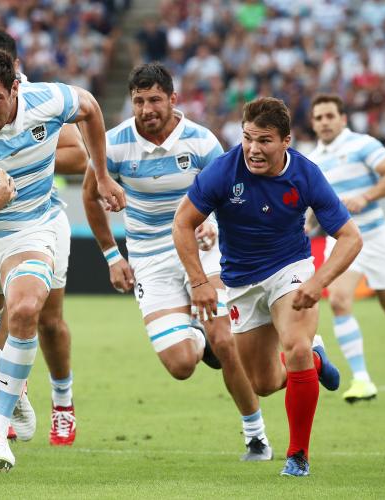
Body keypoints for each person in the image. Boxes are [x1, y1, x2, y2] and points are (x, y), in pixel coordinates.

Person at [0, 48, 124, 472]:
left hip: (31, 228)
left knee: (28, 307)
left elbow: (89, 106)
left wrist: (101, 173)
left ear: (16, 87)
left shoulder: (45, 100)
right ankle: (15, 391)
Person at [83, 62, 273, 461]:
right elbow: (90, 195)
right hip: (149, 258)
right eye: (138, 101)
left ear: (173, 99)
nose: (146, 108)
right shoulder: (114, 143)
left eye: (154, 99)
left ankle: (255, 436)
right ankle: (199, 340)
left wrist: (214, 226)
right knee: (181, 364)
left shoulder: (202, 142)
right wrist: (112, 256)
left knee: (224, 340)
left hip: (203, 250)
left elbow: (231, 195)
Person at [173, 97, 362, 476]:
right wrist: (198, 282)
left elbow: (350, 237)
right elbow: (182, 223)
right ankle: (317, 359)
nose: (254, 149)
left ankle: (298, 455)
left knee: (295, 350)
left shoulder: (306, 175)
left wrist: (318, 280)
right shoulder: (224, 171)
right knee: (263, 383)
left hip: (290, 269)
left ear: (286, 141)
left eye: (265, 141)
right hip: (241, 282)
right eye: (247, 138)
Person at [307, 93, 385, 403]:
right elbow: (315, 204)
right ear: (313, 124)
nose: (325, 122)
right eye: (319, 118)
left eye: (330, 116)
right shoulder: (313, 160)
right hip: (341, 241)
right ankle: (362, 380)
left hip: (376, 237)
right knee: (340, 301)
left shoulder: (362, 144)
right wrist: (305, 224)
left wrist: (366, 197)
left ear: (343, 119)